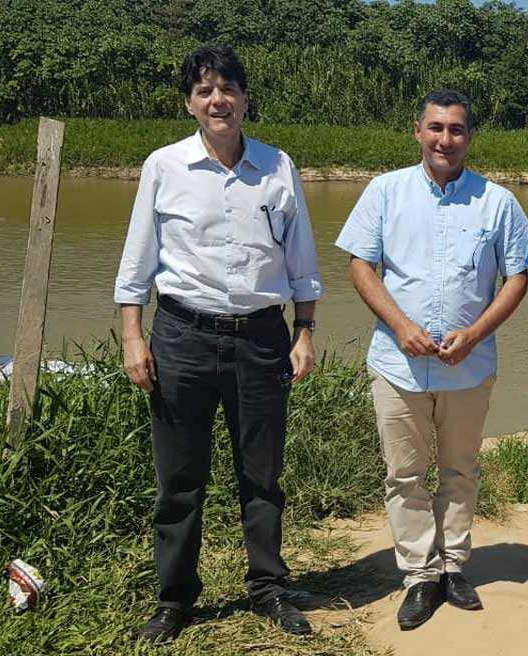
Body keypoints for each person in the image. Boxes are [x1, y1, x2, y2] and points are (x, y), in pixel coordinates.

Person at [114, 46, 323, 642]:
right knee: (179, 478)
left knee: (262, 474)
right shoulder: (164, 166)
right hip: (181, 334)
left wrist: (304, 331)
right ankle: (174, 598)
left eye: (228, 88)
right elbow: (136, 265)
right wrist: (134, 336)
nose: (218, 101)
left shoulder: (278, 167)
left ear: (245, 98)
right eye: (205, 91)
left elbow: (302, 262)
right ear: (189, 102)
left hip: (262, 337)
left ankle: (268, 589)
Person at [336, 89, 528, 631]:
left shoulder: (499, 202)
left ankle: (454, 567)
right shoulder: (384, 192)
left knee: (460, 470)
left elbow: (517, 277)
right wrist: (401, 326)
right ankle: (419, 575)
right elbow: (361, 266)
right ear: (418, 131)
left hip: (469, 365)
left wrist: (474, 333)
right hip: (398, 364)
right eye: (436, 128)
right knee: (404, 475)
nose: (446, 139)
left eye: (457, 130)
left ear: (470, 136)